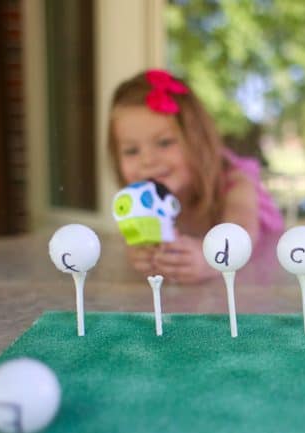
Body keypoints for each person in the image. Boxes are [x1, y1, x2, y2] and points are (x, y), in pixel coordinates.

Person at [108, 69, 284, 283]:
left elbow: (241, 233)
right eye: (131, 151)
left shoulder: (235, 181)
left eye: (164, 143)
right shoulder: (145, 202)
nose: (147, 160)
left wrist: (209, 259)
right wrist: (143, 253)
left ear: (197, 142)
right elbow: (136, 242)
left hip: (258, 280)